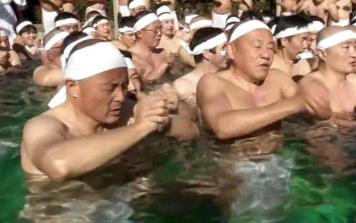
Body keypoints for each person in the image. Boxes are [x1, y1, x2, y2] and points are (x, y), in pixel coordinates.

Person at [21, 40, 173, 181]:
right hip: (63, 207)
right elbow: (58, 165)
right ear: (74, 87)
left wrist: (163, 110)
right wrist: (140, 127)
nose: (120, 96)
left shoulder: (124, 111)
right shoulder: (42, 125)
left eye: (124, 86)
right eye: (110, 88)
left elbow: (191, 130)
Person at [197, 19, 331, 140]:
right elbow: (223, 127)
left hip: (277, 161)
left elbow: (319, 112)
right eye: (257, 46)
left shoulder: (277, 78)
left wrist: (314, 93)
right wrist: (292, 104)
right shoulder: (212, 82)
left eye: (270, 48)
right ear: (232, 50)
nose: (266, 54)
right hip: (230, 162)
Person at [305, 26, 356, 125]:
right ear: (322, 53)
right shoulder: (310, 85)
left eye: (355, 47)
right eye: (346, 47)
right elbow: (323, 123)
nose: (354, 54)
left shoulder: (355, 81)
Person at [174, 27, 227, 110]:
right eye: (224, 48)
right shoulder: (183, 87)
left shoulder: (231, 78)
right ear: (207, 54)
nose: (230, 52)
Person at [130, 11, 174, 85]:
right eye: (155, 30)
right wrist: (164, 64)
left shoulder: (163, 53)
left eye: (160, 29)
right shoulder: (131, 58)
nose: (159, 33)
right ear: (139, 33)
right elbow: (145, 83)